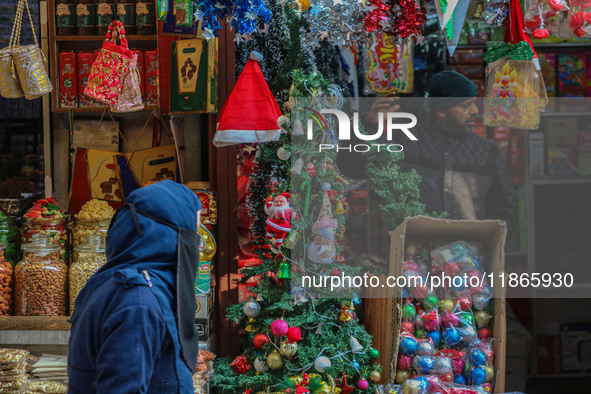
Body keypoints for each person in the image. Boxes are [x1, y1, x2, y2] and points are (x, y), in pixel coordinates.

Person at [68, 180, 202, 393]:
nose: (198, 243)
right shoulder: (138, 300)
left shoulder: (117, 285)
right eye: (194, 232)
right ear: (167, 236)